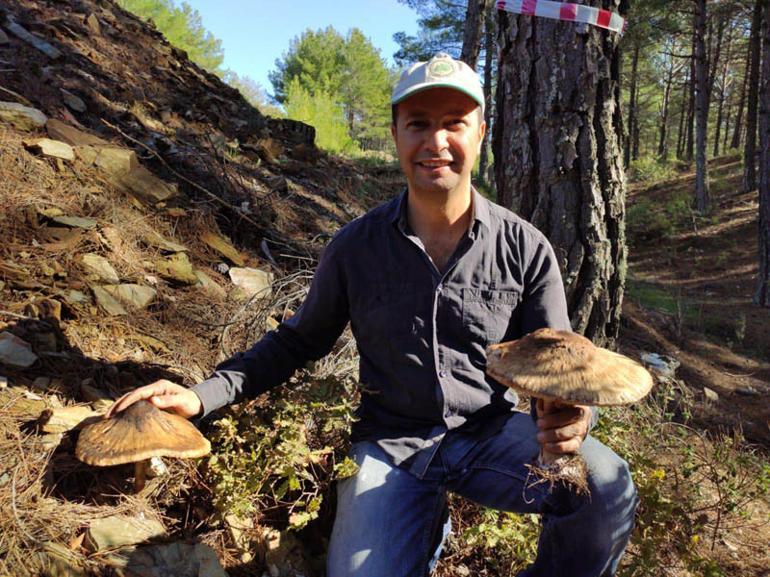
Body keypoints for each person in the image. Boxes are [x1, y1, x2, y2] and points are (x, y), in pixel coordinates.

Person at [107, 53, 638, 577]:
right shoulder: (355, 247)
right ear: (396, 135)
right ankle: (420, 521)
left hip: (490, 435)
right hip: (391, 446)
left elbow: (562, 366)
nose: (436, 142)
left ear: (481, 132)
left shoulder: (525, 247)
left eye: (454, 124)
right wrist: (202, 395)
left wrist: (574, 418)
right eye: (418, 125)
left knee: (605, 485)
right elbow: (298, 342)